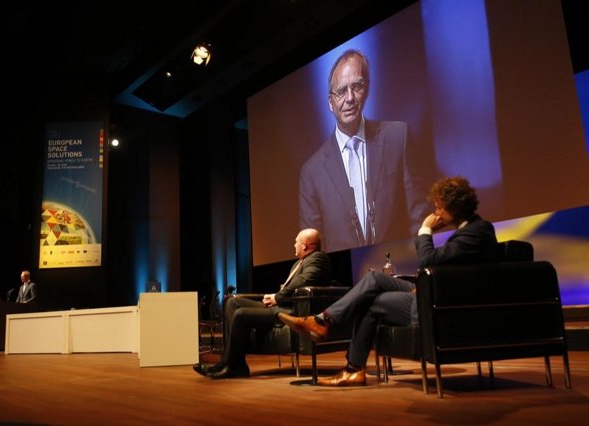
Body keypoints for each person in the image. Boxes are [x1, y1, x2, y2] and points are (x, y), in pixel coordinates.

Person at [280, 176, 498, 386]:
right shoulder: (473, 230)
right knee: (374, 278)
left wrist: (426, 230)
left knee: (371, 302)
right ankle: (324, 325)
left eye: (439, 207)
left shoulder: (475, 233)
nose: (436, 212)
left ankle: (347, 359)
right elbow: (443, 266)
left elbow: (427, 261)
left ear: (454, 207)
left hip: (436, 303)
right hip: (432, 291)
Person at [299, 49, 427, 253]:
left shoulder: (398, 137)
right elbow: (313, 249)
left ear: (366, 89)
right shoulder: (312, 172)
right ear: (330, 103)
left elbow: (419, 217)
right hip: (346, 283)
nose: (349, 98)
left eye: (356, 87)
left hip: (401, 275)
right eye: (341, 91)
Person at [193, 228, 332, 379]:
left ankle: (232, 365)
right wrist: (275, 297)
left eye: (296, 242)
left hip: (291, 311)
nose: (294, 245)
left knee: (241, 314)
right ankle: (232, 362)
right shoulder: (299, 263)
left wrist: (277, 298)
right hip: (282, 305)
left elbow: (302, 282)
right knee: (233, 303)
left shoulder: (318, 258)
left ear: (304, 245)